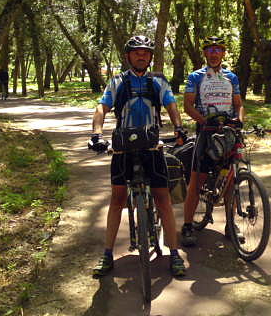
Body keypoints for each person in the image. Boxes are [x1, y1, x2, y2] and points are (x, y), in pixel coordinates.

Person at [88, 35, 187, 277]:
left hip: (152, 145)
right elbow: (102, 107)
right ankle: (107, 254)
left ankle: (174, 254)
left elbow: (171, 105)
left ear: (150, 57)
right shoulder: (117, 81)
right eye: (136, 52)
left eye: (145, 52)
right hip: (123, 145)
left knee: (163, 199)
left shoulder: (158, 81)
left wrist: (178, 127)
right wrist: (96, 134)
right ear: (128, 56)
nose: (141, 55)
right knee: (117, 199)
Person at [180, 36, 245, 247]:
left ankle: (230, 224)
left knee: (231, 181)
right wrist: (204, 121)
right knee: (196, 182)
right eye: (210, 49)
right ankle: (188, 226)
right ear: (205, 53)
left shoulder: (231, 77)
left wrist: (240, 121)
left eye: (218, 49)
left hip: (228, 132)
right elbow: (188, 105)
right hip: (206, 133)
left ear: (223, 53)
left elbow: (238, 104)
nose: (214, 53)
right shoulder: (196, 77)